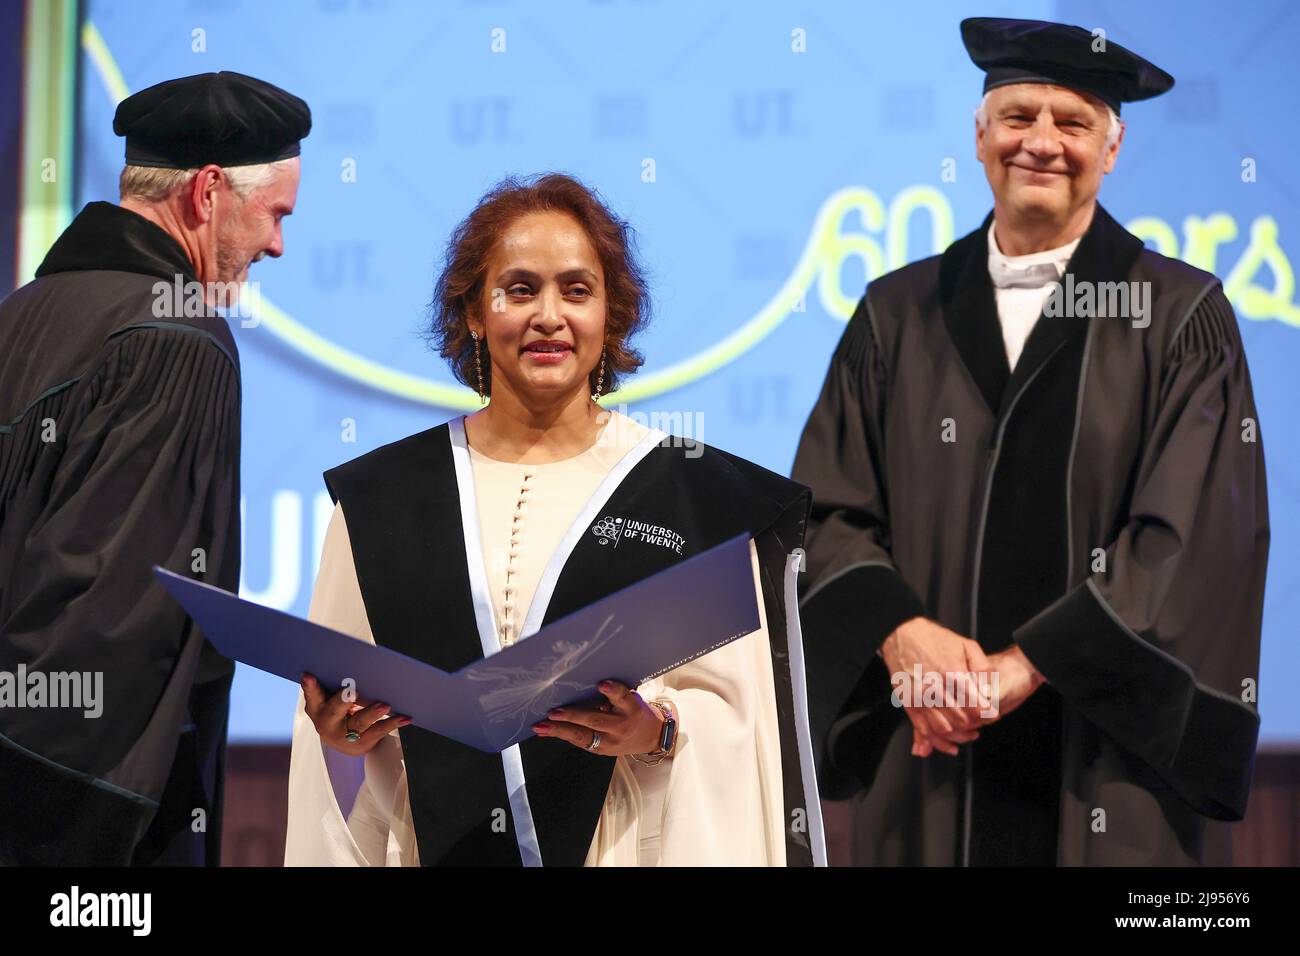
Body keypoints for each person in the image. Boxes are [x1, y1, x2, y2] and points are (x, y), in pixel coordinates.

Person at [794, 17, 1267, 865]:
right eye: (1018, 117)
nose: (1041, 142)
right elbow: (825, 512)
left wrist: (1023, 667)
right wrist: (904, 637)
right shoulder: (896, 316)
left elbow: (1188, 546)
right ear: (979, 136)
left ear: (1112, 148)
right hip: (929, 752)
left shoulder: (1181, 318)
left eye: (1073, 122)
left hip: (1107, 774)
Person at [285, 173, 825, 866]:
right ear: (475, 313)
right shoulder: (381, 501)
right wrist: (345, 737)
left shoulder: (696, 498)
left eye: (576, 290)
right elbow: (336, 734)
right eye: (519, 289)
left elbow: (744, 736)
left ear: (611, 315)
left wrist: (657, 733)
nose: (548, 316)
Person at [0, 72, 309, 865]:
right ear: (208, 193)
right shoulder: (178, 338)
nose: (276, 243)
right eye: (274, 214)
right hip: (76, 836)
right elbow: (104, 628)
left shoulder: (20, 316)